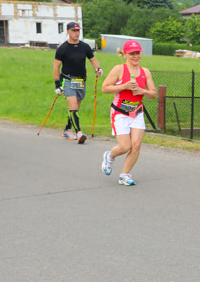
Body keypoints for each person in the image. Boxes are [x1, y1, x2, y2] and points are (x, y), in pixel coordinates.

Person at [100, 40, 157, 186]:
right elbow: (105, 88)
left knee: (136, 145)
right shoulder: (119, 69)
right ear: (125, 54)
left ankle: (124, 174)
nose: (136, 56)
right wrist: (124, 86)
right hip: (119, 113)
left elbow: (153, 94)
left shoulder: (145, 72)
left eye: (138, 53)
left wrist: (142, 91)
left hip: (137, 112)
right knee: (125, 147)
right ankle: (110, 155)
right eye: (132, 53)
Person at [53, 22, 102, 144]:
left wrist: (98, 69)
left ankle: (67, 129)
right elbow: (56, 67)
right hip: (68, 80)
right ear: (68, 32)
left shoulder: (84, 46)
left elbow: (93, 59)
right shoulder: (62, 48)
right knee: (73, 106)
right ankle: (79, 133)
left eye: (78, 31)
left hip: (80, 80)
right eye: (74, 31)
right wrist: (57, 84)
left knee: (75, 108)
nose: (76, 33)